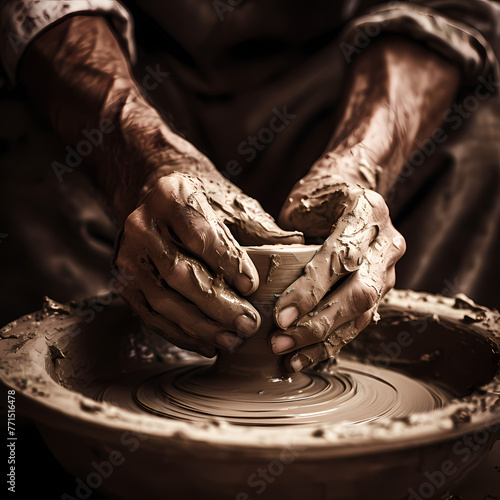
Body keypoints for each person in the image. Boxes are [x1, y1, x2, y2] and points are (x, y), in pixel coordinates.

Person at [0, 0, 499, 373]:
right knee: (28, 154)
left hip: (339, 80)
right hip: (134, 72)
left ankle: (392, 389)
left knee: (483, 142)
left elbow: (446, 12)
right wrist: (141, 158)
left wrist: (360, 163)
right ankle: (108, 405)